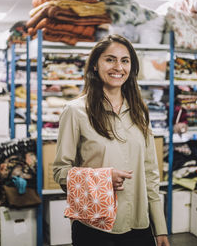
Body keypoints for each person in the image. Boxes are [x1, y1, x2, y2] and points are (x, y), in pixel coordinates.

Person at [53, 34, 170, 246]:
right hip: (94, 226)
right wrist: (102, 179)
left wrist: (160, 227)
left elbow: (150, 172)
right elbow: (60, 172)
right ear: (95, 65)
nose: (118, 67)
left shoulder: (140, 112)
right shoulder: (76, 111)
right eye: (110, 59)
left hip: (139, 225)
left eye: (125, 60)